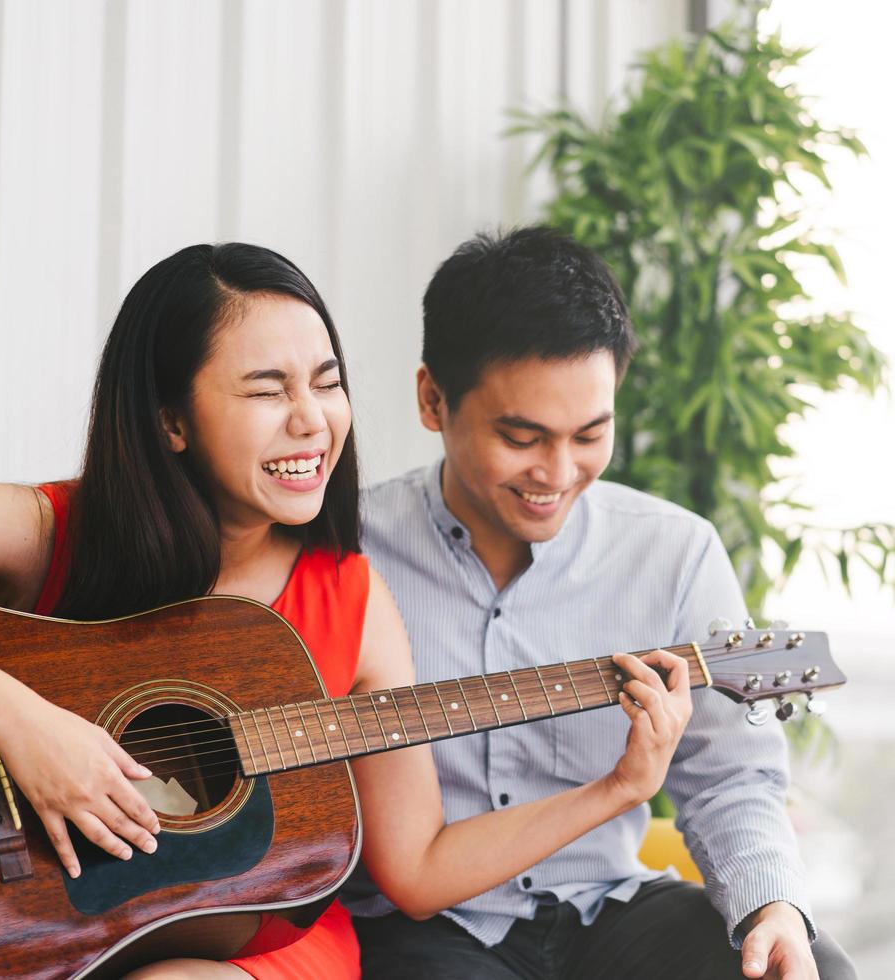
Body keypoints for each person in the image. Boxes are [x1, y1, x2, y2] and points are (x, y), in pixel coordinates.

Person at [0, 242, 696, 980]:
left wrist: (619, 788)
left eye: (326, 382)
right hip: (18, 914)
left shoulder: (352, 597)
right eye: (268, 390)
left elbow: (420, 869)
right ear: (171, 420)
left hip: (256, 948)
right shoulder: (49, 526)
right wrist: (27, 728)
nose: (312, 421)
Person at [345, 227, 858, 980]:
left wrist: (770, 906)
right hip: (423, 931)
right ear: (433, 399)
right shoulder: (347, 554)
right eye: (522, 437)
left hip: (610, 908)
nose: (556, 472)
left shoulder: (674, 554)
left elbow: (731, 775)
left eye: (591, 434)